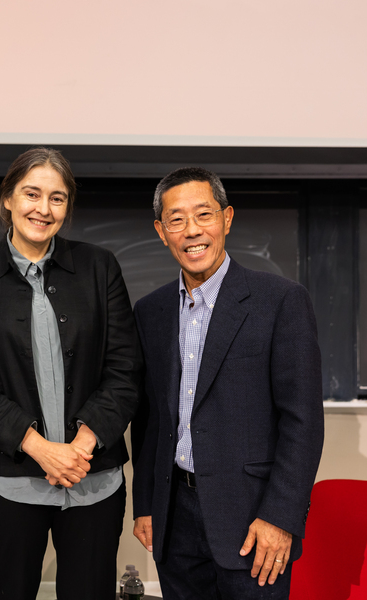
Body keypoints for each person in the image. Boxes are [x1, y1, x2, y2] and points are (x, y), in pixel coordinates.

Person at [0, 148, 142, 600]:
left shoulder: (100, 266)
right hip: (5, 484)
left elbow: (125, 370)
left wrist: (79, 449)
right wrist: (42, 451)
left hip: (94, 481)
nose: (43, 208)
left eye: (57, 198)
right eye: (31, 194)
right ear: (8, 200)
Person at [131, 167, 324, 599]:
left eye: (204, 214)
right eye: (176, 220)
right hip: (173, 518)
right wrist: (144, 504)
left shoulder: (280, 301)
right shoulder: (151, 311)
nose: (192, 231)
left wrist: (281, 516)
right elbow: (148, 418)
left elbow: (303, 421)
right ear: (162, 232)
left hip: (253, 519)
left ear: (227, 219)